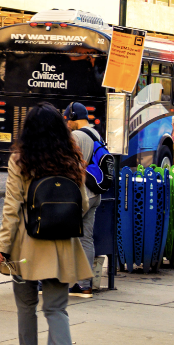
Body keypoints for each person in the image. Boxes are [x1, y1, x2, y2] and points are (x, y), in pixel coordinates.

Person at [0, 103, 93, 345]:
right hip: (62, 244)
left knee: (26, 306)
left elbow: (12, 207)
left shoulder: (20, 160)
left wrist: (2, 247)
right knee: (56, 308)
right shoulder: (71, 159)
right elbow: (83, 204)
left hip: (26, 244)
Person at [64, 102, 106, 293]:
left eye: (68, 119)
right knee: (86, 239)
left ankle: (62, 280)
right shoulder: (96, 134)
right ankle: (85, 284)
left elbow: (68, 164)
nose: (67, 123)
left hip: (80, 195)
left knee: (62, 235)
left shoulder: (76, 136)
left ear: (74, 117)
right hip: (94, 193)